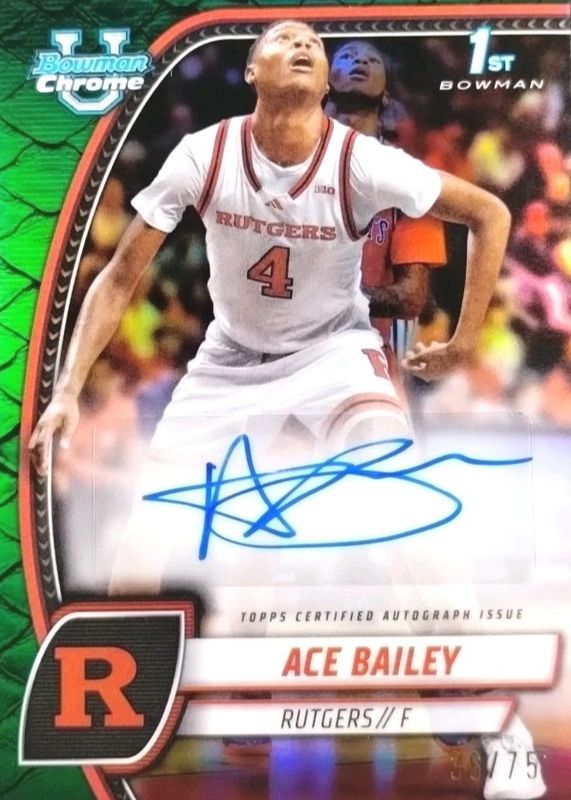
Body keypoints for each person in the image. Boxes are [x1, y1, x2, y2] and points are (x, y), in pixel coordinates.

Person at [28, 21, 541, 798]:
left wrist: (465, 339)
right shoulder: (204, 152)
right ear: (250, 70)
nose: (302, 46)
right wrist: (67, 387)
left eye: (312, 44)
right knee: (141, 554)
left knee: (405, 517)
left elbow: (490, 214)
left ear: (324, 83)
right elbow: (121, 276)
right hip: (229, 364)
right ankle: (109, 732)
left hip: (333, 357)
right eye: (282, 38)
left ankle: (499, 726)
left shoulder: (360, 160)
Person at [326, 39, 447, 387]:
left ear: (385, 98)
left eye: (372, 60)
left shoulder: (409, 179)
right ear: (324, 86)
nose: (360, 61)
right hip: (294, 362)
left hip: (373, 368)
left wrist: (322, 297)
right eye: (347, 56)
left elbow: (410, 297)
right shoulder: (289, 171)